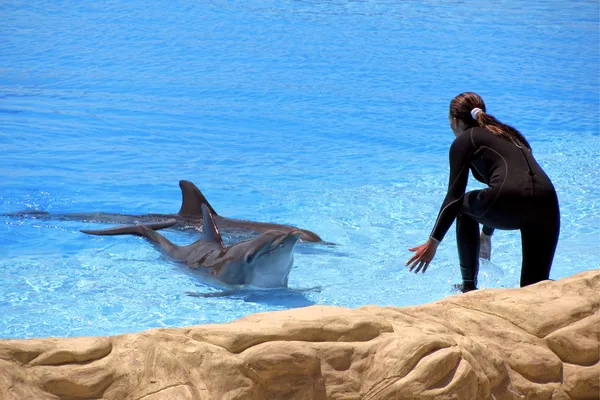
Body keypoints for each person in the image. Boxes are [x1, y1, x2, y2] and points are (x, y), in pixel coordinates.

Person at [405, 92, 560, 292]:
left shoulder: (464, 141)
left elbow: (455, 199)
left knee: (463, 206)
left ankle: (468, 288)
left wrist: (433, 242)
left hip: (513, 203)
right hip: (547, 204)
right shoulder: (507, 134)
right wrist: (486, 236)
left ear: (454, 120)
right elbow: (509, 184)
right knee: (534, 288)